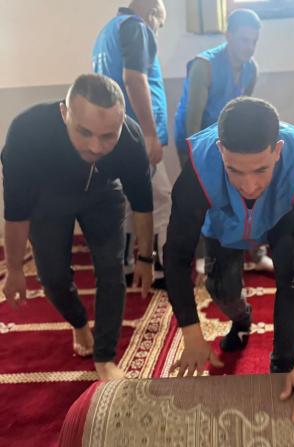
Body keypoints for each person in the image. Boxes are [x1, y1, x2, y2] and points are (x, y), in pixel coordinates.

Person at [164, 97, 294, 428]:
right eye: (234, 170)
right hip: (223, 227)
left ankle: (283, 368)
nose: (249, 186)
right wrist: (191, 332)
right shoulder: (199, 168)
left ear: (278, 151)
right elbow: (176, 256)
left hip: (282, 220)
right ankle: (242, 319)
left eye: (261, 170)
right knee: (222, 290)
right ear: (220, 150)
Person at [1, 74, 155, 381]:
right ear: (64, 113)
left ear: (121, 122)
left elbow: (142, 204)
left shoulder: (131, 138)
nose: (95, 147)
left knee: (111, 269)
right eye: (84, 132)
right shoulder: (27, 131)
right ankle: (79, 323)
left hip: (102, 193)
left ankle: (105, 358)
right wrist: (15, 269)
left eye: (108, 136)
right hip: (48, 198)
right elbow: (16, 210)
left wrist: (146, 259)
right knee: (52, 278)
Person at [174, 9, 273, 274]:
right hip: (193, 139)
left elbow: (243, 113)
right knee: (201, 198)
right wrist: (199, 164)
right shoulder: (204, 67)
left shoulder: (251, 69)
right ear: (228, 36)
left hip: (226, 140)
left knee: (249, 191)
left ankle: (257, 253)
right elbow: (192, 125)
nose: (249, 47)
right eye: (243, 40)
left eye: (254, 41)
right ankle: (202, 256)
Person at [92, 0, 170, 287]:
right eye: (159, 25)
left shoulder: (107, 32)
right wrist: (150, 134)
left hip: (117, 131)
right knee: (160, 198)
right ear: (152, 14)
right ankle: (160, 269)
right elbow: (134, 80)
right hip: (136, 133)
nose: (157, 31)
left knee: (125, 201)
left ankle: (124, 265)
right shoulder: (137, 27)